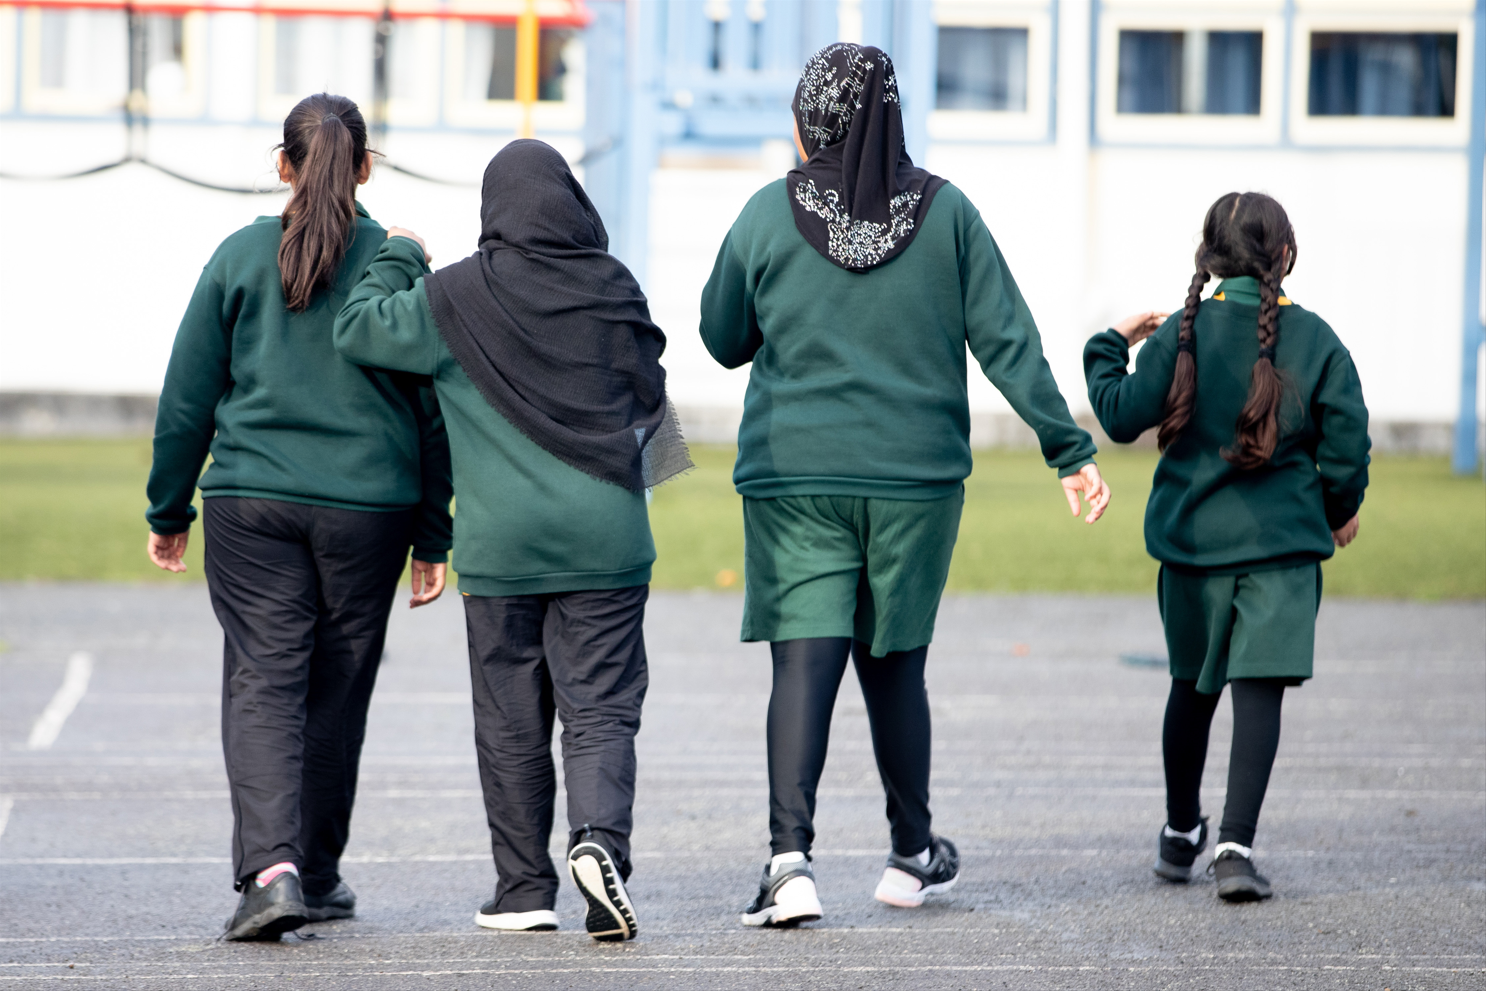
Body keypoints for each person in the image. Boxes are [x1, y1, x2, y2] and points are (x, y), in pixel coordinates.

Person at [698, 43, 1110, 928]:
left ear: (811, 119)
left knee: (804, 657)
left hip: (795, 475)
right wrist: (1067, 449)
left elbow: (721, 336)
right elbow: (1008, 338)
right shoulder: (948, 213)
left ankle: (789, 862)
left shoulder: (768, 213)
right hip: (915, 482)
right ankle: (910, 854)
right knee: (895, 666)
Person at [332, 139, 690, 941]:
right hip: (607, 538)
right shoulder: (613, 286)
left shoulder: (455, 296)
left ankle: (524, 888)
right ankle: (598, 842)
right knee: (600, 709)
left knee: (510, 719)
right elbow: (651, 392)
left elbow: (356, 330)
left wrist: (399, 256)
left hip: (502, 548)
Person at [145, 93, 453, 940]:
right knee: (337, 690)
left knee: (265, 679)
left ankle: (273, 871)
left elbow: (187, 396)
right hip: (371, 509)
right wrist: (435, 530)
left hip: (253, 504)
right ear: (363, 166)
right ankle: (314, 871)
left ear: (283, 165)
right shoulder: (398, 262)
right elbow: (430, 405)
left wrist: (168, 508)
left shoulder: (240, 256)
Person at [1084, 192, 1369, 902]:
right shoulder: (1319, 340)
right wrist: (1339, 510)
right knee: (1259, 691)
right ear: (1285, 256)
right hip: (1281, 550)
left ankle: (1182, 834)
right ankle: (1235, 849)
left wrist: (1109, 343)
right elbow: (1348, 443)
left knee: (1192, 686)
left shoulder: (1180, 334)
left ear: (1207, 256)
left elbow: (1118, 416)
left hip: (1190, 547)